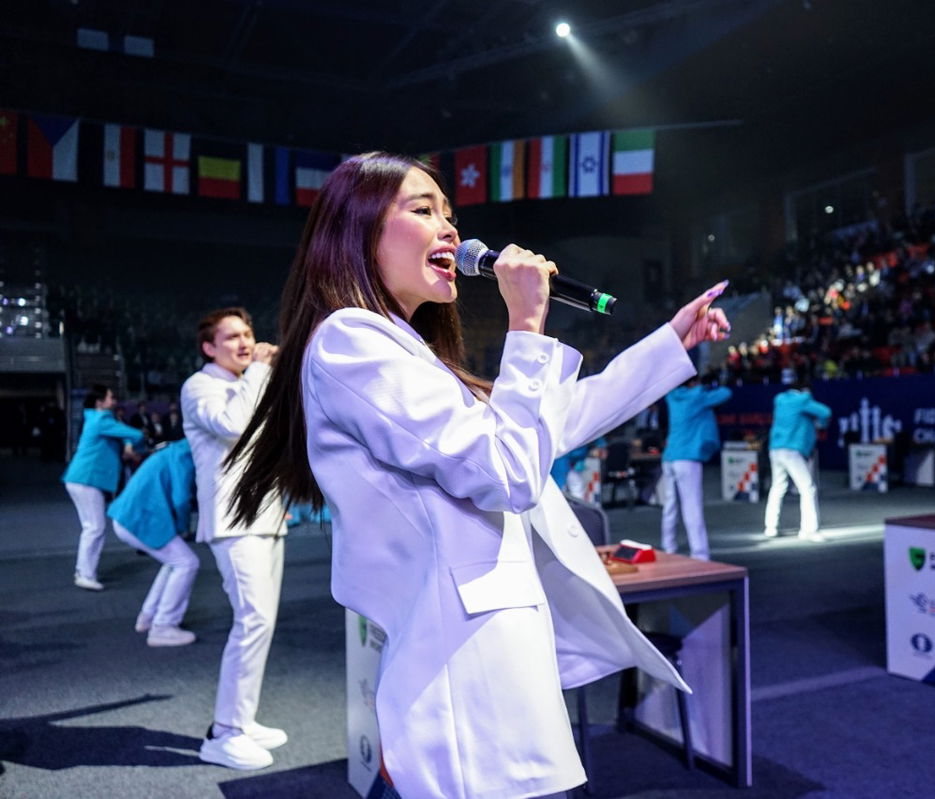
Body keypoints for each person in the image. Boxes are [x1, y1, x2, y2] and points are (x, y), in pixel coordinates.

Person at [223, 152, 732, 799]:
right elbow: (509, 471)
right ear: (358, 230)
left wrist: (670, 343)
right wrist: (525, 324)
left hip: (494, 672)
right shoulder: (350, 341)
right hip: (465, 684)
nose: (451, 230)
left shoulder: (408, 354)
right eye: (423, 209)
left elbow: (555, 422)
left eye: (450, 213)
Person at [181, 307, 288, 770]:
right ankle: (224, 733)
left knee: (261, 624)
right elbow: (234, 425)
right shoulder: (199, 386)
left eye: (248, 333)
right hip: (233, 523)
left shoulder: (252, 382)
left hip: (267, 517)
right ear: (209, 348)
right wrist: (263, 369)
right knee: (253, 622)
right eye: (231, 338)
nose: (244, 343)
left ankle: (241, 718)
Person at [107, 438, 200, 646]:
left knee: (175, 562)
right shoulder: (186, 455)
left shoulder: (176, 450)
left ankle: (148, 618)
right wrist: (183, 528)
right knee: (187, 563)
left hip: (128, 517)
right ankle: (163, 627)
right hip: (138, 519)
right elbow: (181, 498)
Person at [62, 384, 145, 591]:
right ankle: (85, 574)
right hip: (87, 479)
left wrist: (126, 445)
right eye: (110, 397)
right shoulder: (102, 419)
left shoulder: (96, 418)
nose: (114, 400)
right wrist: (129, 445)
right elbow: (135, 434)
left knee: (91, 527)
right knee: (95, 528)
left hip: (80, 478)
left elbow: (124, 434)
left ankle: (83, 570)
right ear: (100, 402)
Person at [660, 374, 732, 560]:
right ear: (693, 383)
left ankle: (668, 546)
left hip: (669, 456)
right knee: (692, 506)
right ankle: (700, 553)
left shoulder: (671, 397)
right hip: (687, 458)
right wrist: (703, 388)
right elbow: (726, 393)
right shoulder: (698, 397)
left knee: (670, 505)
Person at [763, 381, 831, 541]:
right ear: (804, 390)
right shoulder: (802, 400)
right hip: (792, 450)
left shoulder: (779, 400)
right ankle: (809, 530)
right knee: (808, 488)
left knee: (778, 487)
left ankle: (770, 527)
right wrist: (820, 423)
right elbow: (826, 412)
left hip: (775, 448)